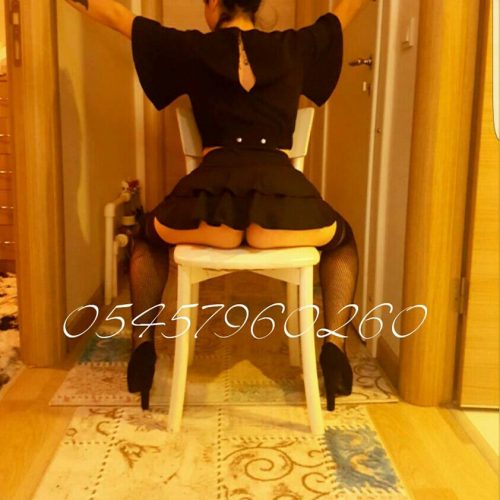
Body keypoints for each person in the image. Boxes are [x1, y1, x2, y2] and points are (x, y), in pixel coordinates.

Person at [65, 0, 370, 412]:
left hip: (212, 211)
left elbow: (118, 16)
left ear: (214, 6)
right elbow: (342, 13)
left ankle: (142, 347)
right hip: (278, 209)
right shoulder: (294, 46)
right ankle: (334, 350)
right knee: (342, 241)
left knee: (146, 239)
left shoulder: (192, 48)